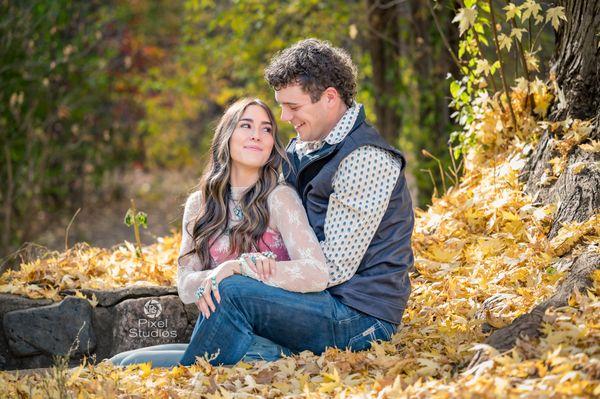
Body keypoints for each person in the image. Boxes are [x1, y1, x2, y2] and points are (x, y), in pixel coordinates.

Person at [177, 38, 414, 367]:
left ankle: (185, 379)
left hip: (359, 317)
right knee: (228, 292)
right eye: (282, 106)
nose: (284, 117)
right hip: (317, 302)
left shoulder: (366, 159)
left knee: (232, 291)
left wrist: (242, 271)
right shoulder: (305, 148)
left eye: (293, 106)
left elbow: (330, 271)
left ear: (329, 98)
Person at [110, 97, 330, 367]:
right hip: (221, 330)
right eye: (246, 125)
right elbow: (185, 285)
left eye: (266, 129)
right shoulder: (200, 205)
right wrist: (217, 273)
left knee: (126, 366)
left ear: (272, 144)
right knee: (122, 360)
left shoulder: (280, 198)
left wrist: (240, 268)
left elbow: (317, 274)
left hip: (272, 340)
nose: (257, 136)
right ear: (226, 136)